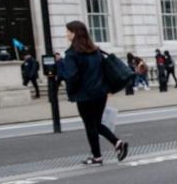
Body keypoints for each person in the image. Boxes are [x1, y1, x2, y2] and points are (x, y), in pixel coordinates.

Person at [55, 20, 128, 166]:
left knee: (90, 125)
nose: (66, 34)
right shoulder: (95, 51)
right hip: (100, 93)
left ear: (74, 33)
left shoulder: (71, 54)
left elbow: (72, 76)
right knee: (96, 123)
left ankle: (97, 156)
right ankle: (117, 143)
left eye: (68, 31)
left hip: (85, 95)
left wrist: (62, 73)